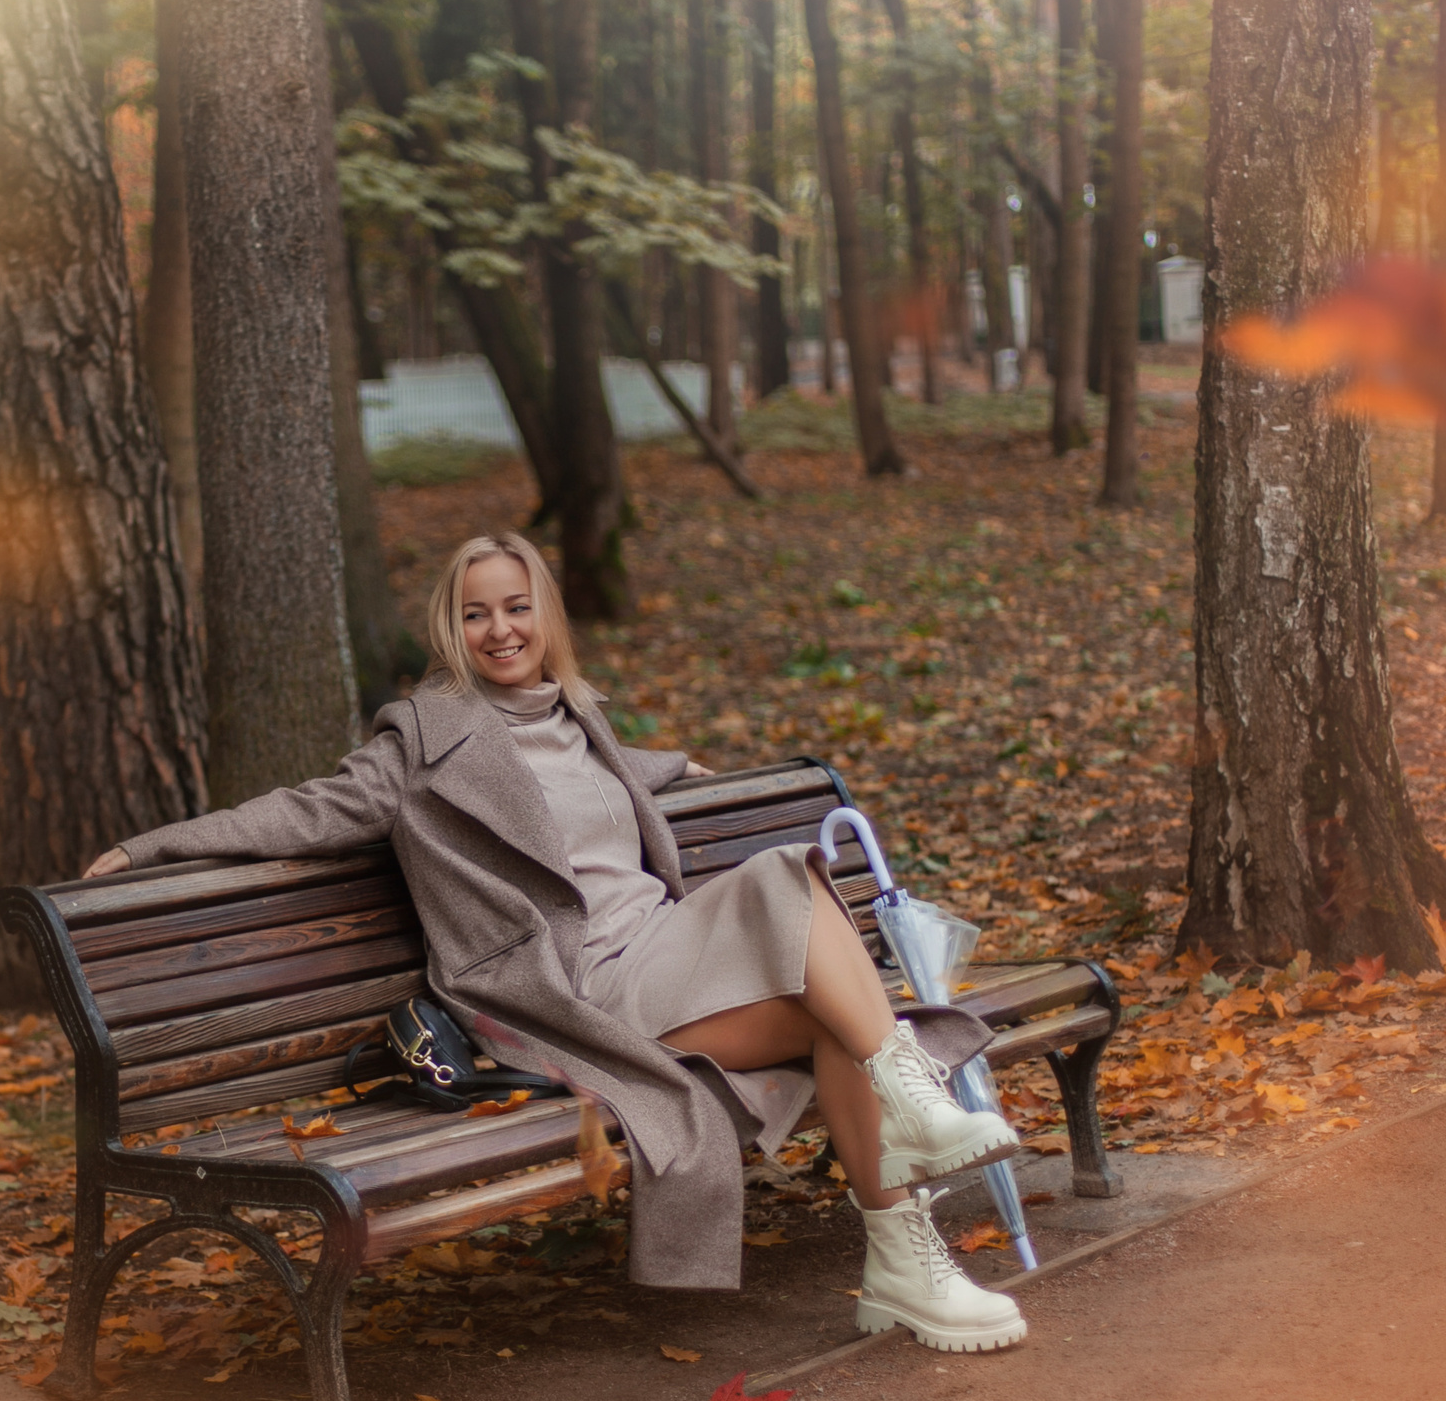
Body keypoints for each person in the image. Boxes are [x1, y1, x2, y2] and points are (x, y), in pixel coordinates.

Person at [84, 534, 1026, 1352]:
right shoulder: (421, 742)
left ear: (544, 615)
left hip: (662, 945)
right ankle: (915, 1101)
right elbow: (300, 813)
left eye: (517, 607)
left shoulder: (577, 713)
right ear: (453, 626)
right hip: (575, 992)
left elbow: (608, 779)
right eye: (477, 613)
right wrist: (152, 844)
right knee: (790, 883)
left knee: (830, 1018)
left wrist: (672, 767)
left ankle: (906, 1264)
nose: (501, 629)